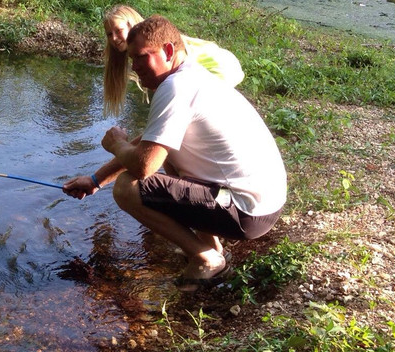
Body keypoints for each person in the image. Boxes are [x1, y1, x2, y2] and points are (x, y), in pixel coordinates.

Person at [64, 15, 286, 281]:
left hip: (246, 211)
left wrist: (116, 144)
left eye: (142, 57)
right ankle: (213, 247)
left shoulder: (175, 87)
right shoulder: (192, 75)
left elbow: (143, 165)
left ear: (168, 51)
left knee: (127, 187)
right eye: (132, 59)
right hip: (262, 205)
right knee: (166, 156)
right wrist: (95, 180)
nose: (135, 66)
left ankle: (207, 258)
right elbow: (149, 141)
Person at [102, 4, 243, 118]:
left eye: (118, 30)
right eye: (109, 34)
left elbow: (174, 86)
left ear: (130, 25)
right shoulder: (138, 49)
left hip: (221, 69)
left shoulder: (154, 43)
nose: (114, 38)